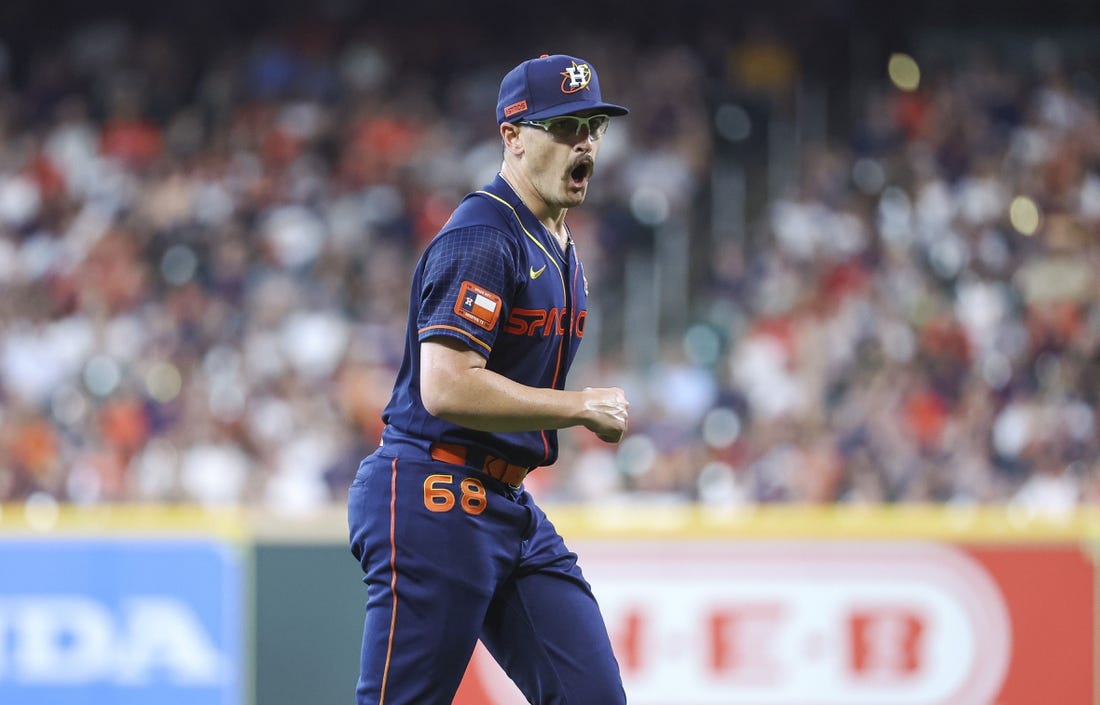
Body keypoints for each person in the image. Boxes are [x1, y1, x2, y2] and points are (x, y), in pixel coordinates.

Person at [347, 53, 631, 705]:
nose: (584, 142)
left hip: (505, 502)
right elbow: (446, 386)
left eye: (593, 126)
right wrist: (576, 407)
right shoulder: (483, 234)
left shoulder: (557, 241)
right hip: (434, 490)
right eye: (564, 127)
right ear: (513, 136)